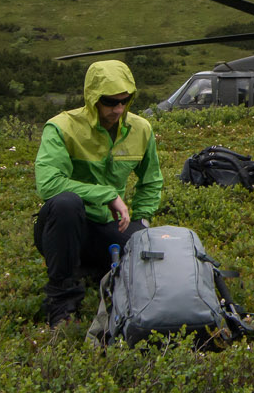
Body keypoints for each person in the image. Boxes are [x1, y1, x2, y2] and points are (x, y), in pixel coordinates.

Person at [33, 59, 164, 326]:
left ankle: (91, 268)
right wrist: (107, 195)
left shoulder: (141, 129)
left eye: (125, 101)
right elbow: (48, 184)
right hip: (66, 228)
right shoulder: (61, 127)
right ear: (92, 98)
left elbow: (151, 180)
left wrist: (141, 221)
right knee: (66, 204)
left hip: (109, 227)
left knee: (149, 253)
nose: (118, 109)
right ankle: (61, 302)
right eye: (109, 102)